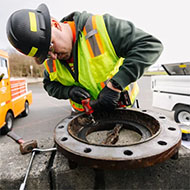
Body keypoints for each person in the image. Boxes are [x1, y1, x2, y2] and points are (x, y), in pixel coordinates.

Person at [6, 4, 163, 112]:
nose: (53, 56)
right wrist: (69, 91)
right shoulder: (50, 62)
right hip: (84, 115)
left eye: (51, 46)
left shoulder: (100, 28)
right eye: (46, 55)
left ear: (55, 24)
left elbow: (150, 46)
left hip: (122, 108)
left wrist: (116, 85)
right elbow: (49, 86)